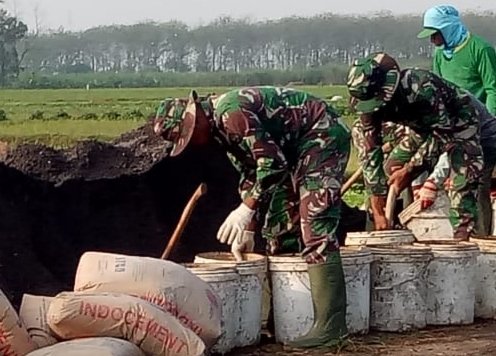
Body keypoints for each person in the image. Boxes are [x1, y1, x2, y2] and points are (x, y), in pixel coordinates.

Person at [152, 86, 350, 349]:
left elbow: (272, 165)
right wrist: (250, 226)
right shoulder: (219, 131)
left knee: (315, 221)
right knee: (280, 227)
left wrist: (245, 209)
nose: (194, 143)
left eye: (189, 136)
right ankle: (289, 317)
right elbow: (250, 171)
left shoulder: (231, 113)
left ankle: (331, 327)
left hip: (321, 137)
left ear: (195, 116)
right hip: (292, 151)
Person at [346, 52, 484, 241]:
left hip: (457, 125)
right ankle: (382, 225)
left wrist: (410, 170)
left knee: (463, 177)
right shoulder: (367, 104)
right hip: (415, 129)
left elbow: (439, 139)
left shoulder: (422, 88)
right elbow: (370, 154)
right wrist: (377, 207)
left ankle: (462, 240)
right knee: (388, 172)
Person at [417, 4, 496, 234]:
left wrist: (488, 122)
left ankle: (482, 240)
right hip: (451, 125)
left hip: (481, 126)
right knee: (440, 175)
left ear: (448, 29)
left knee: (476, 182)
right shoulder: (441, 54)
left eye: (435, 34)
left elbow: (492, 89)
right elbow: (438, 88)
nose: (432, 40)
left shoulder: (481, 50)